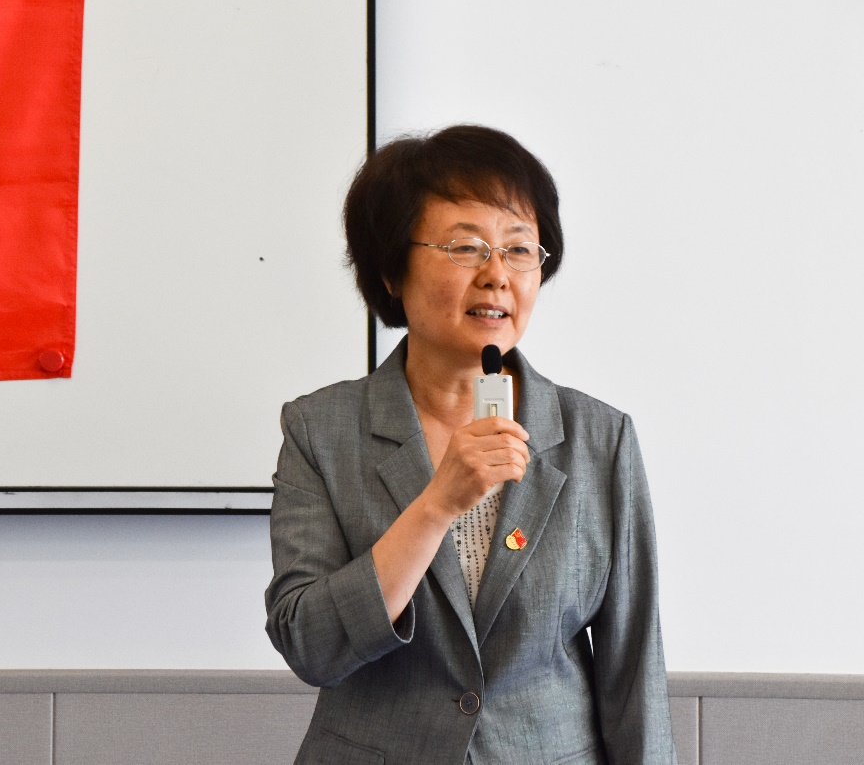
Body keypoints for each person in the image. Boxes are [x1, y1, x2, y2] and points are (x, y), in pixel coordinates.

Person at [265, 125, 676, 764]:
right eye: (466, 248)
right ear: (392, 270)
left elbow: (634, 674)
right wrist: (435, 506)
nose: (496, 276)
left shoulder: (600, 439)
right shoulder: (321, 429)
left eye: (519, 249)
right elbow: (310, 646)